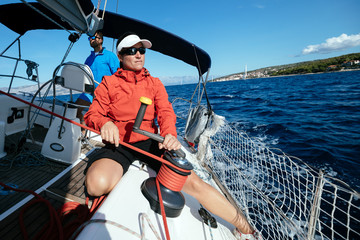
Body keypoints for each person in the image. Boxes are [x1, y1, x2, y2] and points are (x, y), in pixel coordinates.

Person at [84, 32, 260, 239]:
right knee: (96, 185)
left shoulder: (154, 83)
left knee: (194, 184)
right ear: (121, 56)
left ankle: (247, 229)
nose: (139, 54)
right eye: (132, 51)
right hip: (120, 144)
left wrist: (168, 134)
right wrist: (105, 123)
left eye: (142, 50)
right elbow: (92, 114)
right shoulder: (108, 83)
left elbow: (166, 112)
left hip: (152, 142)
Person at [75, 30, 119, 132]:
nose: (91, 40)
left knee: (103, 117)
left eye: (94, 38)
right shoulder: (88, 59)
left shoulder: (110, 56)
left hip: (104, 94)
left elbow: (117, 75)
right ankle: (82, 134)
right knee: (75, 110)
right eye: (89, 38)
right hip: (89, 93)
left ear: (101, 40)